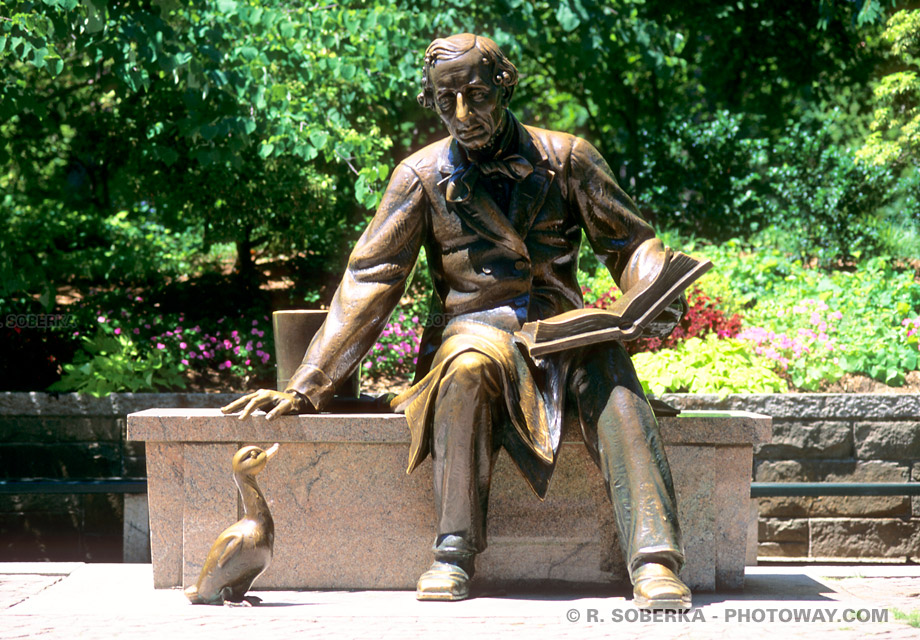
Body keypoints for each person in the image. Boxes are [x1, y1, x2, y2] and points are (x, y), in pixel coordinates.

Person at [223, 33, 692, 609]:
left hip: (563, 329)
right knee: (466, 369)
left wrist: (653, 287)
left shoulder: (569, 157)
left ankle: (655, 561)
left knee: (613, 376)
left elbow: (632, 244)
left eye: (476, 95)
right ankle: (453, 551)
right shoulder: (419, 175)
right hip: (476, 328)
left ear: (506, 84)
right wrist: (307, 383)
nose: (463, 115)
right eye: (447, 102)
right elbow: (372, 279)